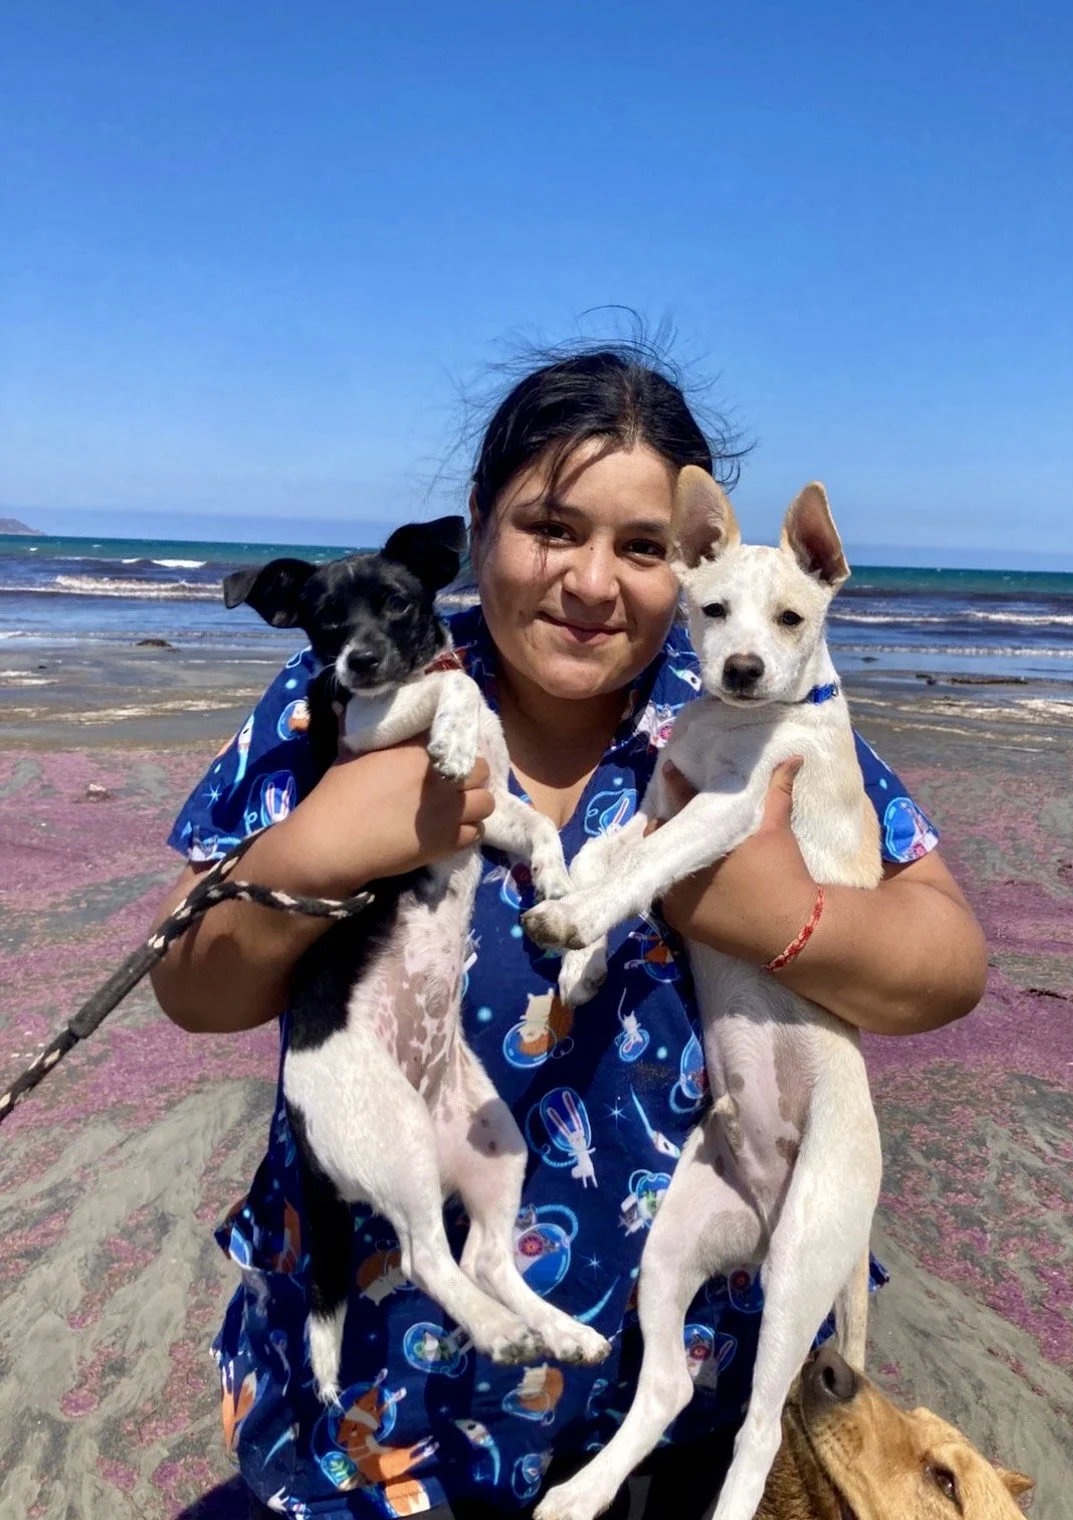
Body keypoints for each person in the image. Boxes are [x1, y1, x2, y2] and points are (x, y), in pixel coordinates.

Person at [151, 344, 987, 1519]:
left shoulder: (733, 720)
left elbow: (948, 964)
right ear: (477, 529)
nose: (594, 581)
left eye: (642, 547)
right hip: (382, 1416)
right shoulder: (347, 696)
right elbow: (191, 987)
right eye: (550, 526)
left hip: (668, 1418)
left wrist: (785, 915)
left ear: (690, 557)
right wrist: (316, 845)